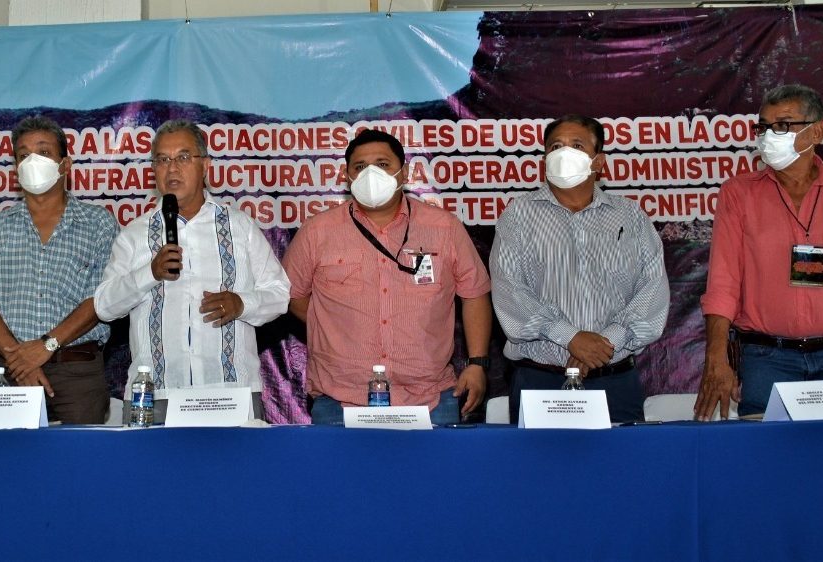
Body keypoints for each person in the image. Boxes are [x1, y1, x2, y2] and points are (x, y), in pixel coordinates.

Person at [282, 129, 492, 425]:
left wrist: (478, 363)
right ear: (347, 176)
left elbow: (475, 293)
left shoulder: (443, 227)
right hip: (340, 399)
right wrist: (334, 324)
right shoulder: (317, 232)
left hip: (430, 397)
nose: (371, 174)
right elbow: (292, 295)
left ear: (403, 173)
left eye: (382, 164)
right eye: (360, 166)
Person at [95, 119, 289, 423]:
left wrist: (242, 304)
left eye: (183, 157)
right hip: (155, 395)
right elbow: (104, 305)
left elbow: (280, 294)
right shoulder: (134, 234)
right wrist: (150, 273)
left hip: (230, 392)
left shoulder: (240, 226)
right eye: (162, 160)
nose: (172, 168)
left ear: (205, 166)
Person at [490, 114, 669, 424]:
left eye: (576, 145)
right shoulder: (518, 216)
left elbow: (652, 288)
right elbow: (509, 291)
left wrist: (605, 343)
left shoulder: (630, 216)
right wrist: (570, 337)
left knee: (622, 458)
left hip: (614, 381)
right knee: (539, 459)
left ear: (598, 161)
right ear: (544, 160)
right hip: (541, 379)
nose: (564, 153)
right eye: (555, 146)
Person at [0, 116, 118, 424]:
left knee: (81, 455)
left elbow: (103, 298)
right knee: (4, 454)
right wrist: (20, 360)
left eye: (44, 152)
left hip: (77, 373)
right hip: (7, 373)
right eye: (23, 155)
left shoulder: (100, 224)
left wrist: (47, 345)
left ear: (65, 165)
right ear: (15, 168)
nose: (32, 161)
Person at [696, 84, 823, 420]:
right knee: (766, 453)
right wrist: (716, 357)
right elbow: (723, 283)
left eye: (783, 125)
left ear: (818, 130)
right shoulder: (739, 193)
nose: (770, 136)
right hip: (767, 359)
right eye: (764, 127)